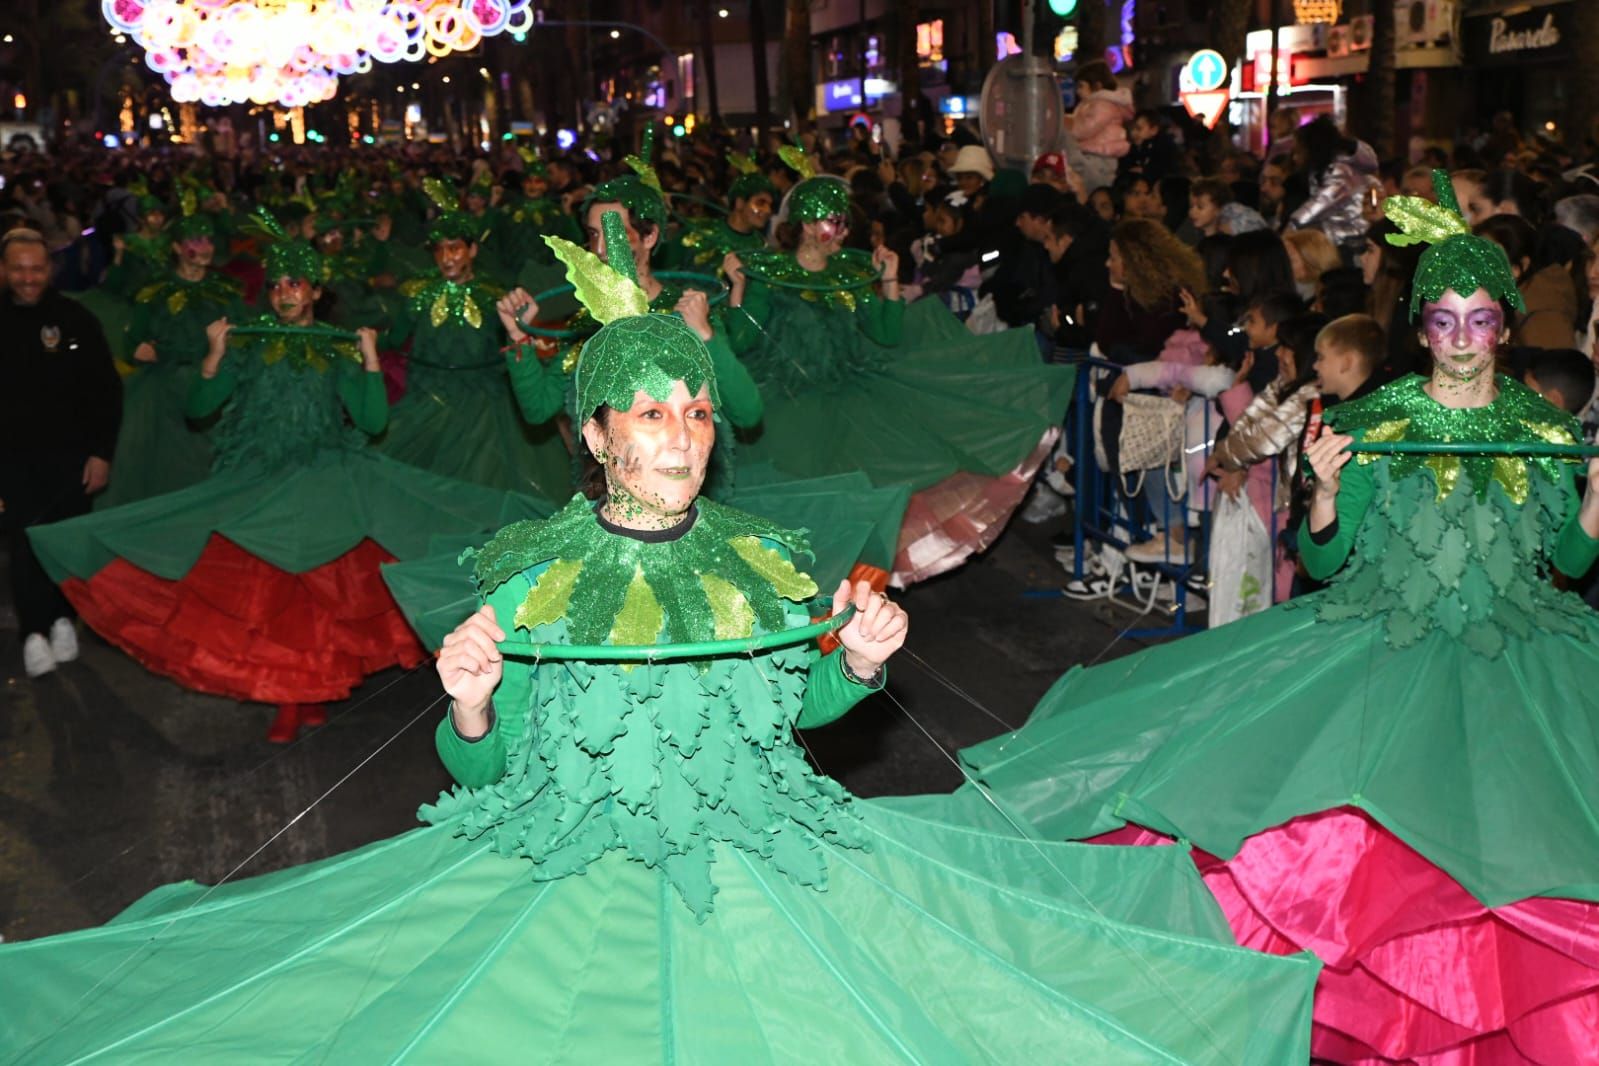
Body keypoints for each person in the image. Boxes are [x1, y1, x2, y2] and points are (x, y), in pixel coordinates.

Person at [0, 248, 1319, 1064]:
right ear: (591, 434)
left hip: (759, 850)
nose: (680, 430)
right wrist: (468, 705)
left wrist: (851, 663)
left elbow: (781, 713)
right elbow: (496, 761)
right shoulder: (532, 568)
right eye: (648, 407)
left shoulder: (754, 557)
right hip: (568, 859)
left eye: (692, 406)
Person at [962, 172, 1599, 1063]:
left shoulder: (1541, 427)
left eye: (1480, 320)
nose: (1461, 341)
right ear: (1420, 326)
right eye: (1442, 320)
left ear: (1503, 322)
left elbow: (1565, 567)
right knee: (1340, 840)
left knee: (1512, 843)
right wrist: (1328, 494)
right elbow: (1328, 564)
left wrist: (1594, 506)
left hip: (1517, 652)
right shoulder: (1372, 418)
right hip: (1386, 639)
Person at [23, 214, 539, 742]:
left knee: (317, 595)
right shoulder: (247, 342)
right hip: (260, 482)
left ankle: (308, 693)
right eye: (275, 285)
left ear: (316, 290)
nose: (283, 293)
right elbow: (202, 407)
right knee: (275, 595)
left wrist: (365, 361)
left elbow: (373, 421)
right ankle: (293, 696)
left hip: (323, 478)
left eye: (295, 283)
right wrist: (214, 357)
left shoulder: (336, 346)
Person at [0, 228, 122, 678]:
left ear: (50, 269)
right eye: (18, 269)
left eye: (36, 269)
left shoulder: (76, 319)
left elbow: (105, 392)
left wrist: (101, 452)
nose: (27, 278)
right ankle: (32, 631)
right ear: (4, 270)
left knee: (66, 541)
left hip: (71, 458)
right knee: (26, 542)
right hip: (11, 461)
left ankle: (61, 618)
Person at [95, 197, 247, 507]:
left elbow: (244, 335)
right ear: (177, 248)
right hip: (165, 390)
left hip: (213, 386)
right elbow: (132, 339)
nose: (204, 247)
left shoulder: (225, 290)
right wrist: (138, 349)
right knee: (161, 462)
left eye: (208, 240)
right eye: (195, 241)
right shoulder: (157, 289)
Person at [1060, 60, 1132, 194]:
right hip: (1094, 154)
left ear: (1097, 86)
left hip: (1101, 156)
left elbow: (1084, 130)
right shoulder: (1090, 103)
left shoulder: (1103, 105)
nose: (1078, 91)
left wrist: (1066, 123)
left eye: (1081, 86)